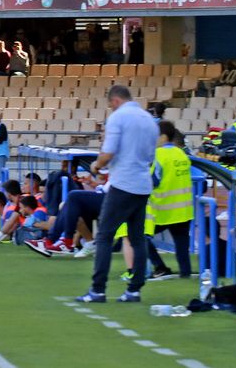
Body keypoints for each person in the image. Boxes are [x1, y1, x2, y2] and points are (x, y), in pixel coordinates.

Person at [77, 85, 158, 304]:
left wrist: (96, 165)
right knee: (137, 238)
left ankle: (98, 289)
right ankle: (134, 289)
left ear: (115, 101)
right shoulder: (149, 120)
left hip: (123, 183)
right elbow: (151, 156)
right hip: (142, 184)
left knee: (104, 235)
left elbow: (108, 152)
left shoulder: (118, 117)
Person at [146, 120, 193, 281]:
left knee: (137, 235)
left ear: (163, 137)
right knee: (182, 247)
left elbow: (152, 180)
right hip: (184, 210)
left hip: (163, 210)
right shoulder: (182, 154)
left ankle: (160, 267)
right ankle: (185, 274)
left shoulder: (158, 155)